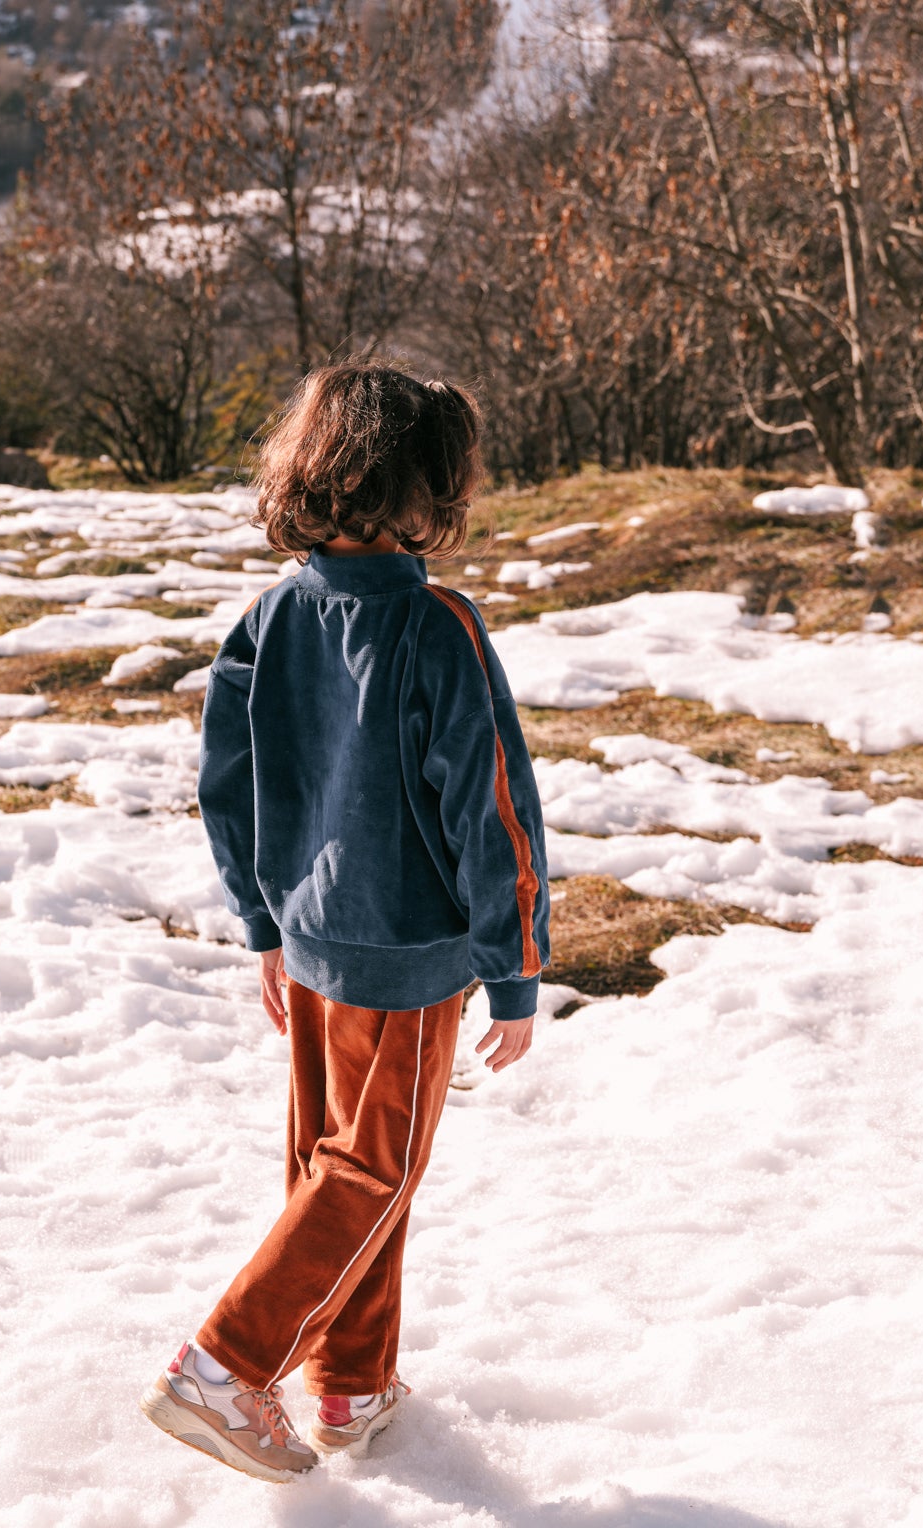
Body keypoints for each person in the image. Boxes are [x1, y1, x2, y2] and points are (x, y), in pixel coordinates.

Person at [139, 363, 550, 1483]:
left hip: (313, 945)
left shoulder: (269, 616)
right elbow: (492, 808)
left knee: (334, 1171)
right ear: (426, 489)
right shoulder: (436, 628)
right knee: (371, 1171)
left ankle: (350, 1381)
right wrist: (510, 970)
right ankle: (222, 1365)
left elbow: (228, 785)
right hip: (409, 957)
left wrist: (264, 924)